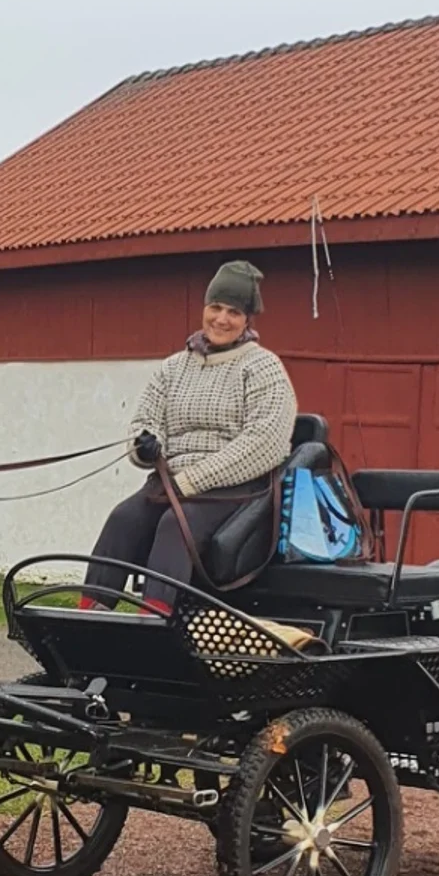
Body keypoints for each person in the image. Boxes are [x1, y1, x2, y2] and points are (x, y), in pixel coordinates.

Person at [80, 260, 298, 615]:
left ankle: (155, 617)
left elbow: (265, 442)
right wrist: (145, 445)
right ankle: (89, 613)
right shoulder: (174, 366)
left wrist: (192, 481)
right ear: (204, 308)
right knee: (123, 518)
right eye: (216, 307)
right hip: (169, 482)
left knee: (175, 525)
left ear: (247, 320)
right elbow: (146, 419)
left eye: (233, 312)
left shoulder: (263, 368)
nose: (221, 319)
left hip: (233, 490)